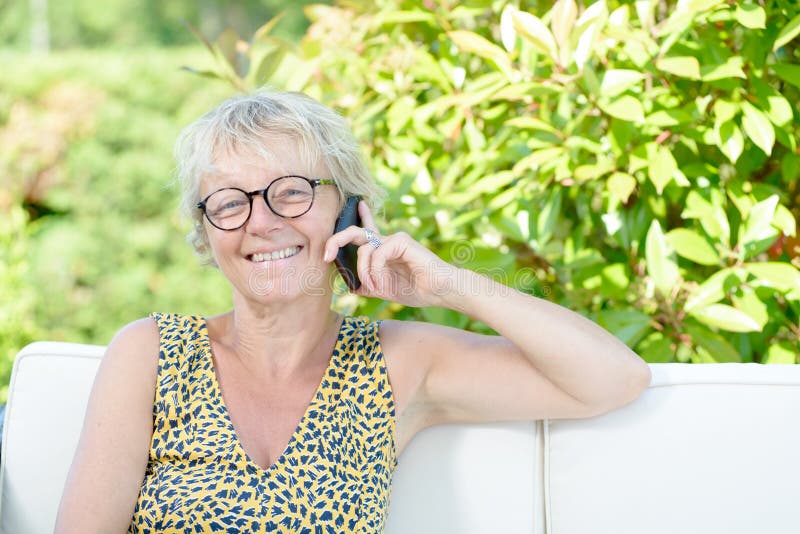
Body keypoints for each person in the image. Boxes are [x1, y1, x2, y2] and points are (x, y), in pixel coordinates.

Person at [54, 90, 651, 533]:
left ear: (350, 212)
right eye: (230, 202)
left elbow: (613, 378)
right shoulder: (152, 354)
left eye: (291, 191)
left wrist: (447, 285)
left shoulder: (396, 364)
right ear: (207, 233)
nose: (261, 222)